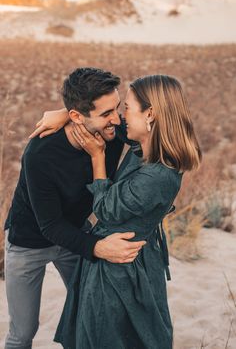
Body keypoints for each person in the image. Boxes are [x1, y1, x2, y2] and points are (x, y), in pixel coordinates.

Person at [37, 74, 202, 348]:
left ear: (149, 114)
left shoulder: (158, 175)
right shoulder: (146, 146)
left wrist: (97, 157)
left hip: (123, 264)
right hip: (125, 256)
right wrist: (67, 114)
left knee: (110, 333)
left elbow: (106, 210)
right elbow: (101, 118)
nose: (120, 116)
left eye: (126, 107)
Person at [4, 67, 146, 349]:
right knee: (23, 332)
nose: (116, 119)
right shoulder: (40, 154)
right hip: (28, 242)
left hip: (75, 235)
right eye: (106, 114)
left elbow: (153, 128)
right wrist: (98, 247)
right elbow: (50, 226)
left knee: (87, 316)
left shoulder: (112, 130)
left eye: (116, 109)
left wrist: (63, 110)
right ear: (77, 117)